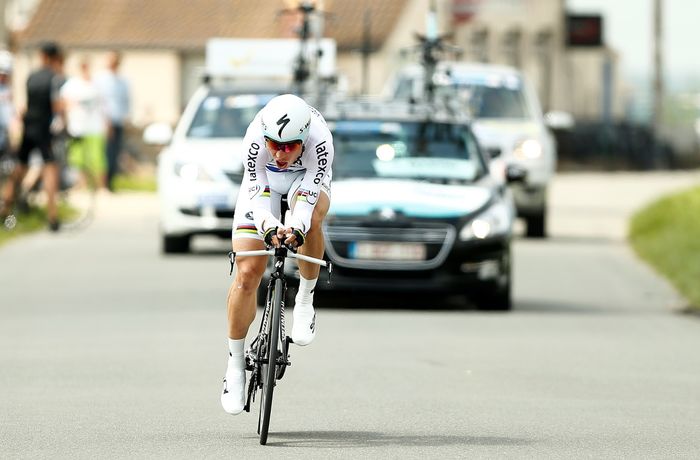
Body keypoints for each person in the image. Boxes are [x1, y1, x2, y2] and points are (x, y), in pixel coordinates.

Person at [221, 94, 334, 415]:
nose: (280, 153)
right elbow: (257, 197)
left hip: (304, 182)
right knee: (247, 274)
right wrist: (270, 226)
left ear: (304, 138)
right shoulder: (255, 138)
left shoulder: (320, 141)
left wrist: (295, 226)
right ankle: (235, 366)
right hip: (264, 186)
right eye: (274, 144)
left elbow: (309, 199)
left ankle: (305, 299)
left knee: (311, 221)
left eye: (289, 146)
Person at [0, 42, 63, 231]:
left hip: (29, 127)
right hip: (44, 129)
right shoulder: (55, 78)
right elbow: (56, 106)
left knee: (19, 169)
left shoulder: (31, 77)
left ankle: (4, 210)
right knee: (50, 168)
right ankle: (53, 217)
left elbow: (26, 104)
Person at [59, 57, 107, 191]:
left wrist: (106, 124)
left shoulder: (97, 83)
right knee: (78, 158)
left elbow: (104, 106)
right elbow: (62, 102)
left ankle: (100, 186)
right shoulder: (72, 84)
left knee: (97, 158)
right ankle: (82, 185)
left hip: (95, 127)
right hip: (77, 126)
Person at [95, 51, 130, 191]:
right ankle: (102, 183)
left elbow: (126, 101)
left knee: (115, 153)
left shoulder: (123, 81)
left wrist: (126, 118)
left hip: (118, 120)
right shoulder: (101, 79)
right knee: (105, 153)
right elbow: (100, 102)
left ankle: (110, 182)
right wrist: (105, 121)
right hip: (104, 122)